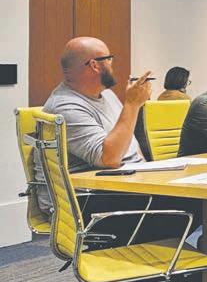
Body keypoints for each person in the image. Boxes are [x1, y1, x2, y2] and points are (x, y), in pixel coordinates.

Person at [34, 37, 150, 214]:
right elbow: (109, 159)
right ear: (95, 65)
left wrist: (148, 171)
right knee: (188, 202)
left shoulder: (108, 96)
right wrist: (133, 105)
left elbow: (131, 146)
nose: (112, 64)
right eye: (109, 59)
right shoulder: (65, 107)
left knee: (187, 197)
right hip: (84, 200)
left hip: (118, 187)